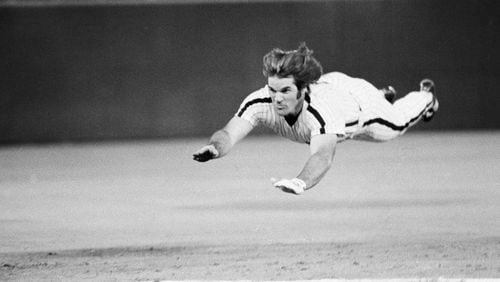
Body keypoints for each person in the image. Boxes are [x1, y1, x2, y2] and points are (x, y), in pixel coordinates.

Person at [193, 43, 439, 195]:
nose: (276, 98)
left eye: (285, 91)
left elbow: (322, 155)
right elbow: (229, 133)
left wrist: (301, 182)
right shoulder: (260, 102)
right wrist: (215, 148)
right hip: (336, 88)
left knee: (397, 124)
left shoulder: (320, 112)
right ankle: (382, 94)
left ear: (303, 90)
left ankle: (425, 97)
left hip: (361, 106)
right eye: (272, 89)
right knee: (381, 109)